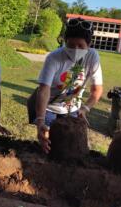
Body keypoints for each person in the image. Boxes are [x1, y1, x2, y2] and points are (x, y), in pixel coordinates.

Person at [35, 18, 103, 153]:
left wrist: (85, 109)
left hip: (73, 109)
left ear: (89, 44)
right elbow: (44, 90)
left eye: (81, 46)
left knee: (70, 147)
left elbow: (97, 89)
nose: (76, 49)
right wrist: (41, 121)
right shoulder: (54, 57)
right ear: (65, 41)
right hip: (49, 108)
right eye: (71, 45)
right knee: (48, 145)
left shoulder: (92, 57)